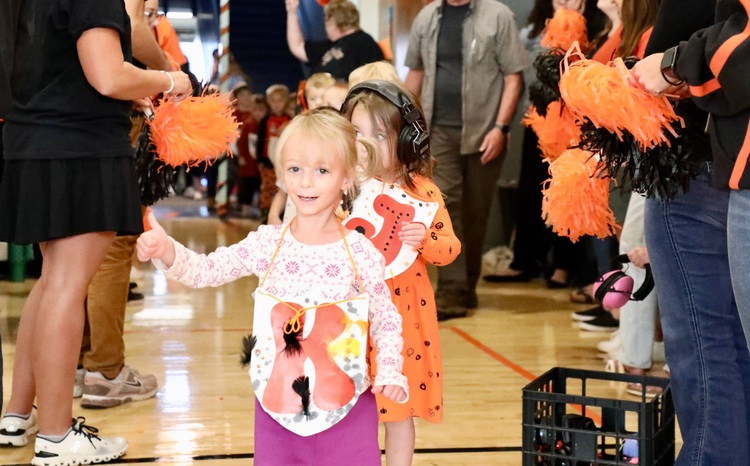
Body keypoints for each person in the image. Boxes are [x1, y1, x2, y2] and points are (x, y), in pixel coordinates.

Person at [136, 109, 409, 465]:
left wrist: (390, 368)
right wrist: (167, 249)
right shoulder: (267, 244)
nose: (306, 182)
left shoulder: (360, 252)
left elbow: (386, 319)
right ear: (281, 175)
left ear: (347, 178)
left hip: (348, 411)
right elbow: (205, 270)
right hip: (276, 409)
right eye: (295, 169)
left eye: (322, 171)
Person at [0, 0, 191, 463]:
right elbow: (108, 75)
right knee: (65, 286)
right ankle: (58, 436)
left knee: (51, 284)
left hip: (32, 141)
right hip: (80, 148)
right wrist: (169, 79)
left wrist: (129, 88)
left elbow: (63, 70)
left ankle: (18, 414)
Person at [630, 0, 750, 463]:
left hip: (696, 167)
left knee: (703, 345)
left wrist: (667, 66)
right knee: (728, 343)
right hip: (714, 164)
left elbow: (672, 66)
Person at [342, 79, 460, 466]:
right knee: (349, 407)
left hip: (405, 315)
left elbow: (449, 249)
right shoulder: (344, 187)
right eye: (357, 132)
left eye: (380, 134)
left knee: (398, 408)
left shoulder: (424, 193)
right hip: (351, 313)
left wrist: (425, 239)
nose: (368, 143)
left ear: (408, 140)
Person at [73, 0, 180, 410]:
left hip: (59, 123)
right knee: (112, 244)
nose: (154, 17)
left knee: (71, 251)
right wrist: (170, 72)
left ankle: (79, 365)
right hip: (102, 121)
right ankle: (106, 370)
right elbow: (134, 28)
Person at [404, 0, 529, 320]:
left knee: (476, 213)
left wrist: (501, 127)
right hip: (438, 131)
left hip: (485, 131)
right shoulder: (427, 17)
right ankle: (451, 291)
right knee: (446, 207)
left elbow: (513, 76)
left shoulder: (498, 16)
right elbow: (415, 72)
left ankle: (467, 286)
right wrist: (402, 121)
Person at [285, 0, 385, 80]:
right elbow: (297, 46)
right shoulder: (328, 45)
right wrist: (292, 12)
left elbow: (375, 79)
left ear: (332, 22)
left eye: (326, 20)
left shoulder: (364, 42)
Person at [256, 84, 292, 221]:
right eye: (273, 101)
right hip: (267, 162)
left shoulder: (290, 120)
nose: (276, 104)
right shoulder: (265, 120)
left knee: (282, 188)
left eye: (280, 101)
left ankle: (281, 213)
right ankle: (266, 213)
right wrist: (259, 160)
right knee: (266, 187)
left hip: (284, 163)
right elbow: (260, 141)